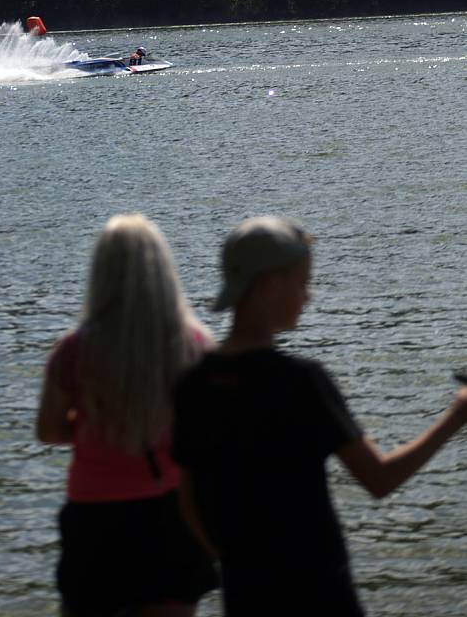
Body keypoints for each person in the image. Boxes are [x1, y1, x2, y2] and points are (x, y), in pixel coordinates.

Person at [171, 215, 467, 616]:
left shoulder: (193, 384)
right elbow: (379, 479)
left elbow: (186, 498)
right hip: (319, 591)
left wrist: (235, 558)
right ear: (268, 285)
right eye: (302, 283)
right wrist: (456, 415)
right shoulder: (301, 382)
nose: (307, 296)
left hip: (246, 594)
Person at [37, 213, 218, 617]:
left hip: (95, 515)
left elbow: (48, 429)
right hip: (172, 513)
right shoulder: (197, 346)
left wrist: (96, 428)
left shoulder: (73, 350)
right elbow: (210, 438)